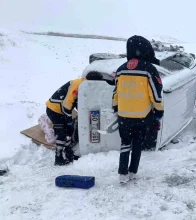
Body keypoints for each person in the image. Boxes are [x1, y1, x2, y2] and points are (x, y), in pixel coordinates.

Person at [112, 35, 164, 184]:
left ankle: (122, 173)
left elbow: (116, 92)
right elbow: (155, 94)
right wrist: (159, 112)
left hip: (123, 115)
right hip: (142, 116)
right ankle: (132, 171)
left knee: (125, 143)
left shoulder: (121, 69)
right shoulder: (149, 69)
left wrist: (116, 108)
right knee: (137, 144)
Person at [46, 71, 103, 166]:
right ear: (92, 81)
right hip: (54, 109)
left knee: (69, 131)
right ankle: (58, 158)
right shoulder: (78, 85)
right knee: (62, 133)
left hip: (61, 109)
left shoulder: (84, 84)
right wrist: (68, 119)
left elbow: (78, 102)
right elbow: (67, 103)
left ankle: (69, 155)